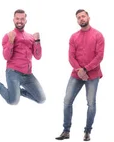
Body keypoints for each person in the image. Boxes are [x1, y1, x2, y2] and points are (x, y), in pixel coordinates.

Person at [55, 9, 104, 142]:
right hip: (76, 74)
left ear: (89, 17)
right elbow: (71, 56)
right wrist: (79, 70)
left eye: (83, 16)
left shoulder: (98, 35)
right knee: (67, 102)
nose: (81, 19)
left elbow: (99, 56)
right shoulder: (73, 37)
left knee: (91, 103)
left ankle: (87, 132)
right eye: (78, 17)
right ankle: (66, 131)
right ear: (77, 20)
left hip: (92, 75)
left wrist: (85, 69)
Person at [0, 9, 46, 106]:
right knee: (13, 101)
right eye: (17, 19)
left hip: (28, 74)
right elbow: (6, 57)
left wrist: (37, 41)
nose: (19, 21)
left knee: (41, 99)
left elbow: (38, 57)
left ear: (26, 20)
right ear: (13, 20)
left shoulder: (30, 37)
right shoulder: (8, 36)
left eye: (22, 19)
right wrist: (11, 41)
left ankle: (15, 91)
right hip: (13, 73)